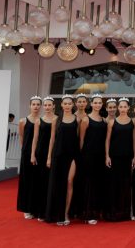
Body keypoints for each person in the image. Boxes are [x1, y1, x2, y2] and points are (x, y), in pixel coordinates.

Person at [45, 95, 79, 225]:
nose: (67, 105)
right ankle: (57, 214)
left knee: (69, 182)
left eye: (69, 103)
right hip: (58, 155)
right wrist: (49, 157)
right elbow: (52, 139)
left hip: (72, 155)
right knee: (58, 184)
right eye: (65, 103)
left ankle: (65, 213)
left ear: (73, 105)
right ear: (61, 105)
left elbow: (78, 138)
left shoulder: (77, 119)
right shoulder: (56, 120)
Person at [78, 94, 107, 224]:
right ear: (91, 104)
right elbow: (81, 140)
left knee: (98, 183)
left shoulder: (104, 120)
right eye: (95, 102)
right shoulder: (86, 119)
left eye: (99, 103)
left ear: (102, 104)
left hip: (100, 156)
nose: (97, 105)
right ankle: (88, 213)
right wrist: (81, 156)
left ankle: (96, 211)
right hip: (88, 155)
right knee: (88, 183)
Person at [104, 97, 134, 222]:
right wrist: (107, 156)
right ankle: (113, 213)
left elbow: (134, 140)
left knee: (126, 185)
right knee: (114, 185)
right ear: (118, 108)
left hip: (127, 158)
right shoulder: (112, 122)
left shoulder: (132, 122)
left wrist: (134, 157)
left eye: (124, 106)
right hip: (114, 158)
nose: (122, 109)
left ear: (128, 108)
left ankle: (125, 213)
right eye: (120, 107)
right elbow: (107, 140)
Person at [30, 96, 56, 221]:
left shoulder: (57, 119)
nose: (47, 107)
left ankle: (49, 211)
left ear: (54, 106)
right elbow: (35, 139)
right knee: (40, 182)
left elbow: (53, 138)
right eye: (45, 105)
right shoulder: (38, 121)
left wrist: (50, 156)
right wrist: (32, 154)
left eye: (49, 105)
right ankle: (39, 211)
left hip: (53, 153)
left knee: (50, 182)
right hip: (40, 153)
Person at [17, 96, 41, 220]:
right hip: (26, 154)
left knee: (36, 181)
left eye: (38, 104)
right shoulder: (23, 121)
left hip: (39, 154)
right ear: (30, 106)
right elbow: (21, 136)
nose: (36, 106)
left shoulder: (42, 120)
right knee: (26, 181)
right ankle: (26, 208)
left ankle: (35, 208)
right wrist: (24, 150)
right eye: (34, 104)